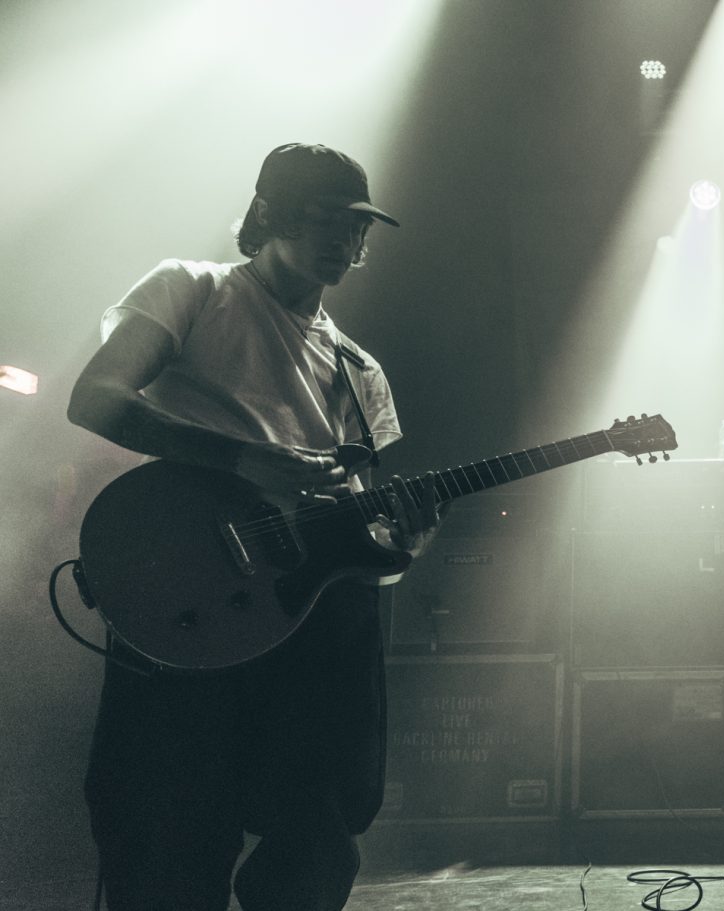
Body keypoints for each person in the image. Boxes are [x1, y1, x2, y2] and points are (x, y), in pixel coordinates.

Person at [67, 143, 442, 910]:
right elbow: (95, 397)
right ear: (266, 215)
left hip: (304, 625)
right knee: (165, 832)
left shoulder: (359, 369)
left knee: (317, 834)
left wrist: (409, 536)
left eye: (358, 226)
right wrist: (244, 460)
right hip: (187, 593)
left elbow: (364, 543)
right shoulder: (191, 289)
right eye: (326, 220)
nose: (345, 240)